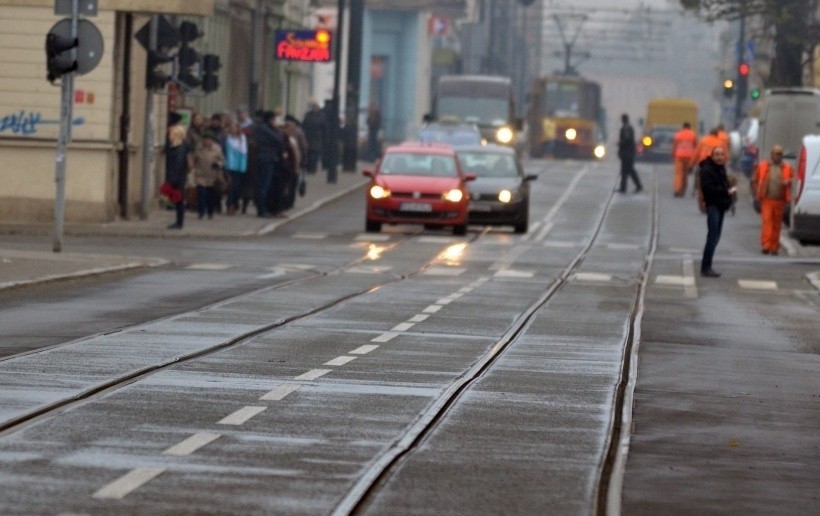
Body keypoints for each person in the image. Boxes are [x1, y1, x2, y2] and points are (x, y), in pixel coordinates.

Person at [699, 146, 736, 277]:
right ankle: (706, 266)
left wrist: (729, 193)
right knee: (713, 236)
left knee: (716, 237)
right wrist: (725, 191)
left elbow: (722, 186)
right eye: (717, 155)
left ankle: (707, 265)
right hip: (713, 206)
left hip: (720, 206)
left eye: (721, 154)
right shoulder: (708, 169)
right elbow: (707, 188)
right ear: (712, 156)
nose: (719, 157)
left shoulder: (720, 169)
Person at [754, 144, 793, 255]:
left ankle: (774, 247)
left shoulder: (787, 168)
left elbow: (793, 180)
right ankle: (766, 245)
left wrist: (788, 181)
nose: (777, 156)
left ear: (782, 156)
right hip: (766, 200)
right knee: (767, 223)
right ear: (772, 155)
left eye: (779, 154)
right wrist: (758, 195)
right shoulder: (763, 166)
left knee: (777, 225)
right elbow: (756, 180)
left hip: (780, 201)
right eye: (776, 154)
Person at [254, 111, 286, 217]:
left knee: (268, 185)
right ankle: (262, 209)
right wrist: (277, 130)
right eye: (274, 119)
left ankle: (266, 208)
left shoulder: (265, 128)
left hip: (269, 158)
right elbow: (278, 139)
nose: (275, 121)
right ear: (270, 119)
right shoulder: (264, 129)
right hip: (266, 159)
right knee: (264, 185)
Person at [164, 112, 189, 229]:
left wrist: (172, 179)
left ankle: (179, 222)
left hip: (178, 177)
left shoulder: (179, 148)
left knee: (179, 200)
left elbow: (177, 164)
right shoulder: (177, 146)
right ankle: (179, 222)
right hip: (178, 176)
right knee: (178, 199)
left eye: (172, 134)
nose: (170, 136)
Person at [192, 131, 225, 220]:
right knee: (201, 194)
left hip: (212, 176)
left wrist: (218, 164)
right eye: (205, 140)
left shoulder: (217, 149)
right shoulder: (199, 148)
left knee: (210, 196)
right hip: (200, 175)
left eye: (209, 140)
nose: (206, 142)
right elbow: (194, 159)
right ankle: (201, 212)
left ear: (212, 141)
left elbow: (222, 160)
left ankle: (210, 212)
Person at [223, 120, 248, 216]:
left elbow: (244, 153)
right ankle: (230, 206)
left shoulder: (242, 138)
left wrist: (243, 166)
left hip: (239, 166)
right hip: (229, 165)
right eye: (231, 127)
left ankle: (235, 204)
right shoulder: (227, 138)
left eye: (235, 127)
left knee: (237, 187)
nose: (233, 129)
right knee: (230, 187)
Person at [617, 113, 643, 193]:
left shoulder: (626, 128)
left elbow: (627, 140)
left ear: (623, 119)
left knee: (627, 170)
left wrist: (620, 143)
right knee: (628, 170)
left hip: (627, 153)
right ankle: (631, 186)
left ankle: (626, 187)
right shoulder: (628, 127)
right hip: (628, 152)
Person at [671, 122, 697, 197]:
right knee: (685, 174)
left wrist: (673, 155)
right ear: (689, 127)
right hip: (689, 157)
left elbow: (674, 146)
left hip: (679, 156)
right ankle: (683, 189)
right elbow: (696, 146)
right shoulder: (693, 134)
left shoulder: (678, 134)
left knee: (678, 174)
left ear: (683, 127)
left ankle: (677, 189)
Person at [302, 98, 326, 174]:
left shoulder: (322, 116)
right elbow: (304, 125)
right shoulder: (308, 115)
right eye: (313, 106)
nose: (315, 107)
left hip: (317, 137)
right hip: (308, 136)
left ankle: (313, 169)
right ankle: (309, 168)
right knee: (309, 154)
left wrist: (324, 137)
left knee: (314, 154)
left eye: (316, 106)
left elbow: (324, 127)